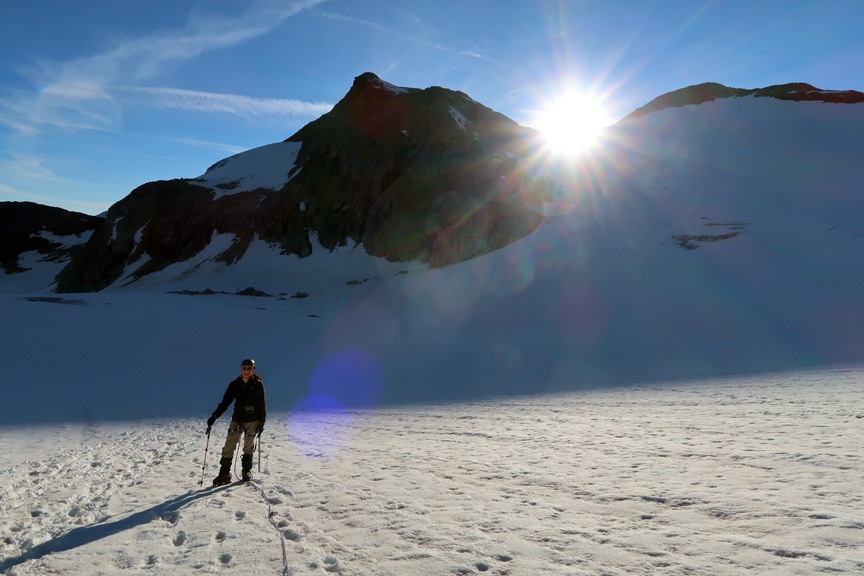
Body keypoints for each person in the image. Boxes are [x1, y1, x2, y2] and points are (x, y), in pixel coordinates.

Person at [207, 358, 266, 485]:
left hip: (252, 420)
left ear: (253, 370)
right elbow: (225, 402)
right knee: (228, 447)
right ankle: (224, 473)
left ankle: (246, 471)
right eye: (244, 368)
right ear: (241, 369)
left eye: (249, 368)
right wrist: (215, 416)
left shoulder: (258, 385)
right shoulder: (234, 384)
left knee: (248, 446)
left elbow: (262, 404)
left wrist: (262, 422)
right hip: (237, 419)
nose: (246, 371)